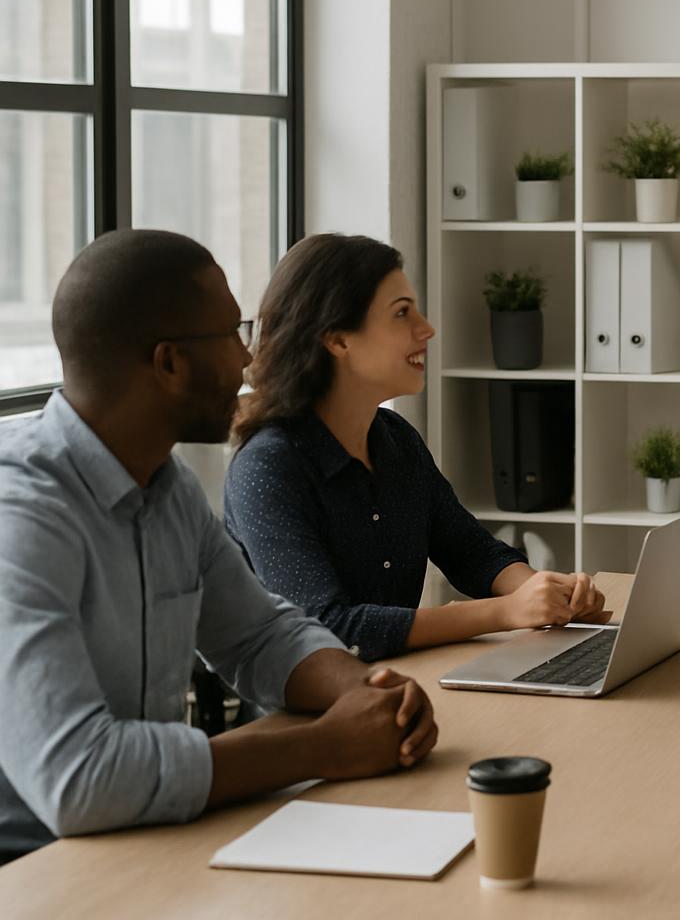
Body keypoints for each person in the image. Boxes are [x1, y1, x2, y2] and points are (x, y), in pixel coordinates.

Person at [0, 230, 438, 864]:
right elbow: (78, 780)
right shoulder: (22, 518)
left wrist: (366, 689)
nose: (249, 360)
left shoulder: (166, 485)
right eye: (234, 333)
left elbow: (261, 636)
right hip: (34, 871)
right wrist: (322, 746)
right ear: (169, 363)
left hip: (144, 844)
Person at [223, 233, 608, 663]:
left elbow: (471, 553)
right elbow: (330, 629)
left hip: (403, 682)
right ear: (338, 340)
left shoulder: (395, 439)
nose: (427, 329)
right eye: (402, 313)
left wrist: (549, 595)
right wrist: (506, 611)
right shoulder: (267, 466)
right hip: (315, 716)